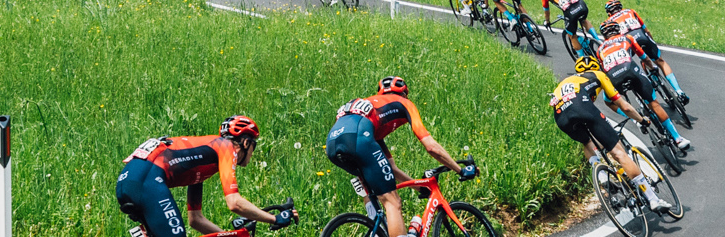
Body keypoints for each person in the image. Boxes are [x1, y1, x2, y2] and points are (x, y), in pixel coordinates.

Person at [325, 76, 473, 237]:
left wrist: (419, 188)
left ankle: (376, 230)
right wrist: (461, 171)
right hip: (358, 138)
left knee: (374, 193)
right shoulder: (404, 103)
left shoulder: (372, 116)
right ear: (404, 93)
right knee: (392, 202)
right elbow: (431, 147)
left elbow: (391, 169)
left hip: (333, 144)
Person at [116, 116, 292, 237]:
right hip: (147, 181)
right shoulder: (225, 146)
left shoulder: (201, 161)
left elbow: (196, 220)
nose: (253, 152)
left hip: (129, 180)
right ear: (246, 142)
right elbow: (234, 203)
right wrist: (274, 218)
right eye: (253, 146)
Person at [551, 58, 672, 215]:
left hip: (561, 117)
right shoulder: (598, 75)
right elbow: (625, 106)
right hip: (582, 107)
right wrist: (642, 120)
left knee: (586, 141)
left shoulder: (567, 81)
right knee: (619, 153)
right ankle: (653, 199)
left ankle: (601, 174)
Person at [595, 22, 690, 152]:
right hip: (631, 71)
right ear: (618, 30)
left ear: (604, 35)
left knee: (608, 101)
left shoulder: (599, 49)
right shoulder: (627, 38)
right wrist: (653, 68)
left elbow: (604, 69)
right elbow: (644, 58)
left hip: (614, 78)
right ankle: (678, 139)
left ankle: (635, 119)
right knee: (654, 104)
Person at [604, 2, 687, 104]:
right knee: (660, 61)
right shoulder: (630, 11)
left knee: (632, 67)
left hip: (628, 41)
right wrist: (652, 43)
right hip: (642, 37)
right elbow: (646, 30)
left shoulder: (609, 22)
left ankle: (641, 97)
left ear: (609, 13)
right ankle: (679, 91)